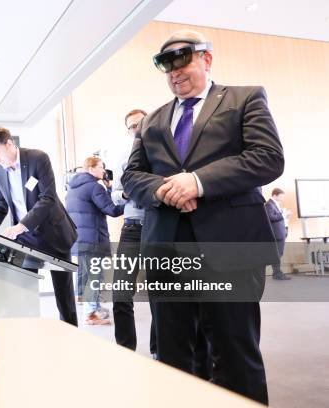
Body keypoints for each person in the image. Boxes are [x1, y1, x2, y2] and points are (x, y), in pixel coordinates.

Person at [122, 30, 284, 404]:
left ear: (206, 59)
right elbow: (132, 176)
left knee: (234, 353)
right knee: (175, 357)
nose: (174, 72)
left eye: (182, 60)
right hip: (167, 250)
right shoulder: (152, 121)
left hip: (228, 248)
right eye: (166, 66)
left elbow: (267, 157)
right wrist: (164, 189)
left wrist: (197, 182)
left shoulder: (245, 99)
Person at [0, 127, 79, 326]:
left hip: (53, 234)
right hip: (26, 241)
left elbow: (48, 198)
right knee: (24, 295)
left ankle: (71, 338)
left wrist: (21, 225)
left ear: (9, 144)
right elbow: (0, 205)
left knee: (64, 298)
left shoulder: (37, 158)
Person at [109, 109, 157, 355]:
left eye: (140, 123)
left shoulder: (162, 150)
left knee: (160, 294)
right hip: (132, 228)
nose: (137, 129)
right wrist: (129, 192)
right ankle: (124, 350)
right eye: (132, 126)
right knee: (121, 292)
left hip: (160, 227)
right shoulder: (122, 155)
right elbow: (114, 195)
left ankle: (159, 350)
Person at [65, 156, 124, 325]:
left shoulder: (73, 188)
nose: (103, 170)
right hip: (93, 239)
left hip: (79, 239)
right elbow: (111, 209)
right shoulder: (93, 187)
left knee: (87, 275)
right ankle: (91, 314)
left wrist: (106, 189)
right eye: (101, 167)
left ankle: (94, 308)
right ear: (91, 169)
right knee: (95, 276)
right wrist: (129, 202)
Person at [265, 188, 291, 280]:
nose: (282, 198)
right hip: (276, 233)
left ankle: (277, 273)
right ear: (275, 195)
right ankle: (277, 273)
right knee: (277, 254)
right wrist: (283, 214)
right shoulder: (269, 204)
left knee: (279, 253)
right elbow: (270, 217)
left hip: (281, 232)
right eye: (281, 196)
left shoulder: (275, 204)